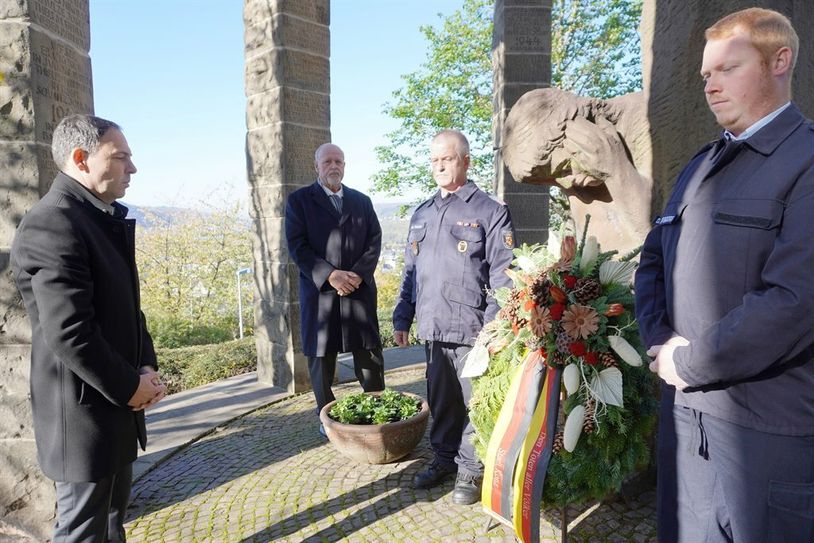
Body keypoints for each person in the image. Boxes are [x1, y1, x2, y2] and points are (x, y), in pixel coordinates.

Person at [635, 8, 814, 542]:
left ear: (779, 61)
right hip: (685, 414)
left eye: (727, 69)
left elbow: (794, 301)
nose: (711, 85)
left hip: (764, 428)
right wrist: (659, 343)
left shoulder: (806, 161)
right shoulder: (701, 164)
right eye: (706, 75)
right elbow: (653, 260)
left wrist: (688, 361)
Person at [11, 114, 166, 542]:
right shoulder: (53, 223)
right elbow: (69, 332)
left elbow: (128, 311)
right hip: (83, 418)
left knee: (112, 525)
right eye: (120, 158)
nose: (131, 168)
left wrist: (145, 369)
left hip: (114, 407)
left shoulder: (96, 218)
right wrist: (130, 386)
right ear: (80, 159)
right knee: (82, 532)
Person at [393, 130, 516, 505]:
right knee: (442, 400)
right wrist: (402, 316)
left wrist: (495, 327)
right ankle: (444, 458)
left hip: (474, 330)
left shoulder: (490, 212)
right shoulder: (423, 213)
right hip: (433, 326)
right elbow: (411, 271)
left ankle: (471, 469)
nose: (439, 166)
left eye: (446, 159)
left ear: (465, 160)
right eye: (434, 161)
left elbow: (504, 274)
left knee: (473, 402)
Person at [285, 143, 385, 436]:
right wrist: (330, 275)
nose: (334, 166)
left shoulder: (362, 201)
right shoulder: (299, 201)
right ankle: (326, 418)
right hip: (320, 294)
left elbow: (374, 241)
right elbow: (297, 246)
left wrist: (356, 275)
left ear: (345, 165)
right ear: (316, 166)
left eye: (338, 161)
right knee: (321, 358)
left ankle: (377, 409)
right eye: (327, 161)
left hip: (359, 290)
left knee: (368, 354)